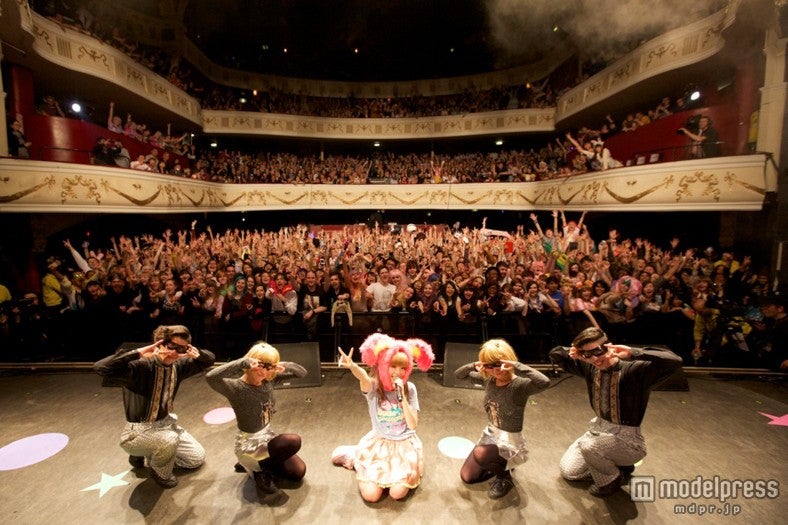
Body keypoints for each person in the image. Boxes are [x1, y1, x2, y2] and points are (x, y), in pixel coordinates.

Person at [549, 327, 682, 497]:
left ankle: (610, 481)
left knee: (588, 447)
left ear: (609, 347)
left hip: (627, 440)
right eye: (588, 355)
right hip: (597, 432)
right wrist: (573, 351)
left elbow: (675, 360)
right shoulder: (590, 368)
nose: (595, 359)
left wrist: (633, 352)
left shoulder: (635, 371)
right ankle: (617, 467)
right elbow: (555, 354)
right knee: (570, 472)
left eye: (598, 351)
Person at [93, 324, 216, 488]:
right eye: (171, 346)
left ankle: (149, 452)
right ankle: (159, 471)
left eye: (181, 349)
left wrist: (196, 353)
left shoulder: (177, 367)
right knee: (169, 441)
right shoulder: (141, 367)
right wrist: (139, 352)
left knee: (196, 458)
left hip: (166, 425)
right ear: (159, 344)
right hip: (138, 430)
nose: (174, 352)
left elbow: (209, 359)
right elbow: (100, 367)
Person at [331, 333, 435, 502]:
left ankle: (367, 461)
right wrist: (352, 366)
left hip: (404, 445)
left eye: (403, 368)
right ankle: (356, 458)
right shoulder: (374, 386)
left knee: (397, 493)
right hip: (380, 444)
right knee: (371, 496)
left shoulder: (410, 388)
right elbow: (363, 377)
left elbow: (412, 424)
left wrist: (402, 398)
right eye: (393, 366)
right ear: (383, 365)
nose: (398, 372)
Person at [453, 339, 550, 499]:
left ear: (508, 360)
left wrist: (516, 365)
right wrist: (476, 365)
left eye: (498, 363)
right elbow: (458, 375)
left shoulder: (519, 385)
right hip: (491, 435)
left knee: (480, 454)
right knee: (468, 477)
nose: (495, 369)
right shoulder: (489, 380)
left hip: (510, 441)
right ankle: (499, 464)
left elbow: (544, 382)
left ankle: (505, 477)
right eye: (490, 365)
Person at [205, 341, 307, 493]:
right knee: (293, 441)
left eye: (269, 367)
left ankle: (253, 465)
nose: (264, 371)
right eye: (261, 365)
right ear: (251, 362)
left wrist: (282, 365)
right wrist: (241, 363)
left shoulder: (270, 381)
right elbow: (211, 377)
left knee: (298, 472)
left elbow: (302, 373)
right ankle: (257, 469)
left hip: (267, 436)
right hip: (249, 443)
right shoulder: (235, 388)